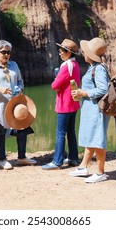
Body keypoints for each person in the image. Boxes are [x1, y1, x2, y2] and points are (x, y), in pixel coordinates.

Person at [0, 40, 37, 170]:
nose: (7, 55)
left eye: (8, 52)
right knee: (1, 131)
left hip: (16, 104)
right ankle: (2, 159)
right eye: (4, 52)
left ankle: (22, 157)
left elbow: (20, 81)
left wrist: (19, 89)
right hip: (0, 106)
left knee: (22, 128)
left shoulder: (14, 66)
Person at [69, 37, 110, 183]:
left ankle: (100, 172)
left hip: (96, 111)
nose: (83, 53)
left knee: (97, 140)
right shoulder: (94, 67)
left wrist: (83, 93)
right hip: (91, 109)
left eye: (85, 51)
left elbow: (103, 89)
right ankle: (83, 167)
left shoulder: (98, 69)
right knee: (92, 137)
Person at [42, 39, 81, 170]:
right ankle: (73, 158)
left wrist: (55, 80)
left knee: (60, 132)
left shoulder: (65, 66)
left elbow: (55, 85)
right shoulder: (75, 65)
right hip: (73, 104)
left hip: (64, 105)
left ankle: (57, 161)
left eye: (62, 51)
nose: (60, 53)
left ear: (68, 53)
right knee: (71, 131)